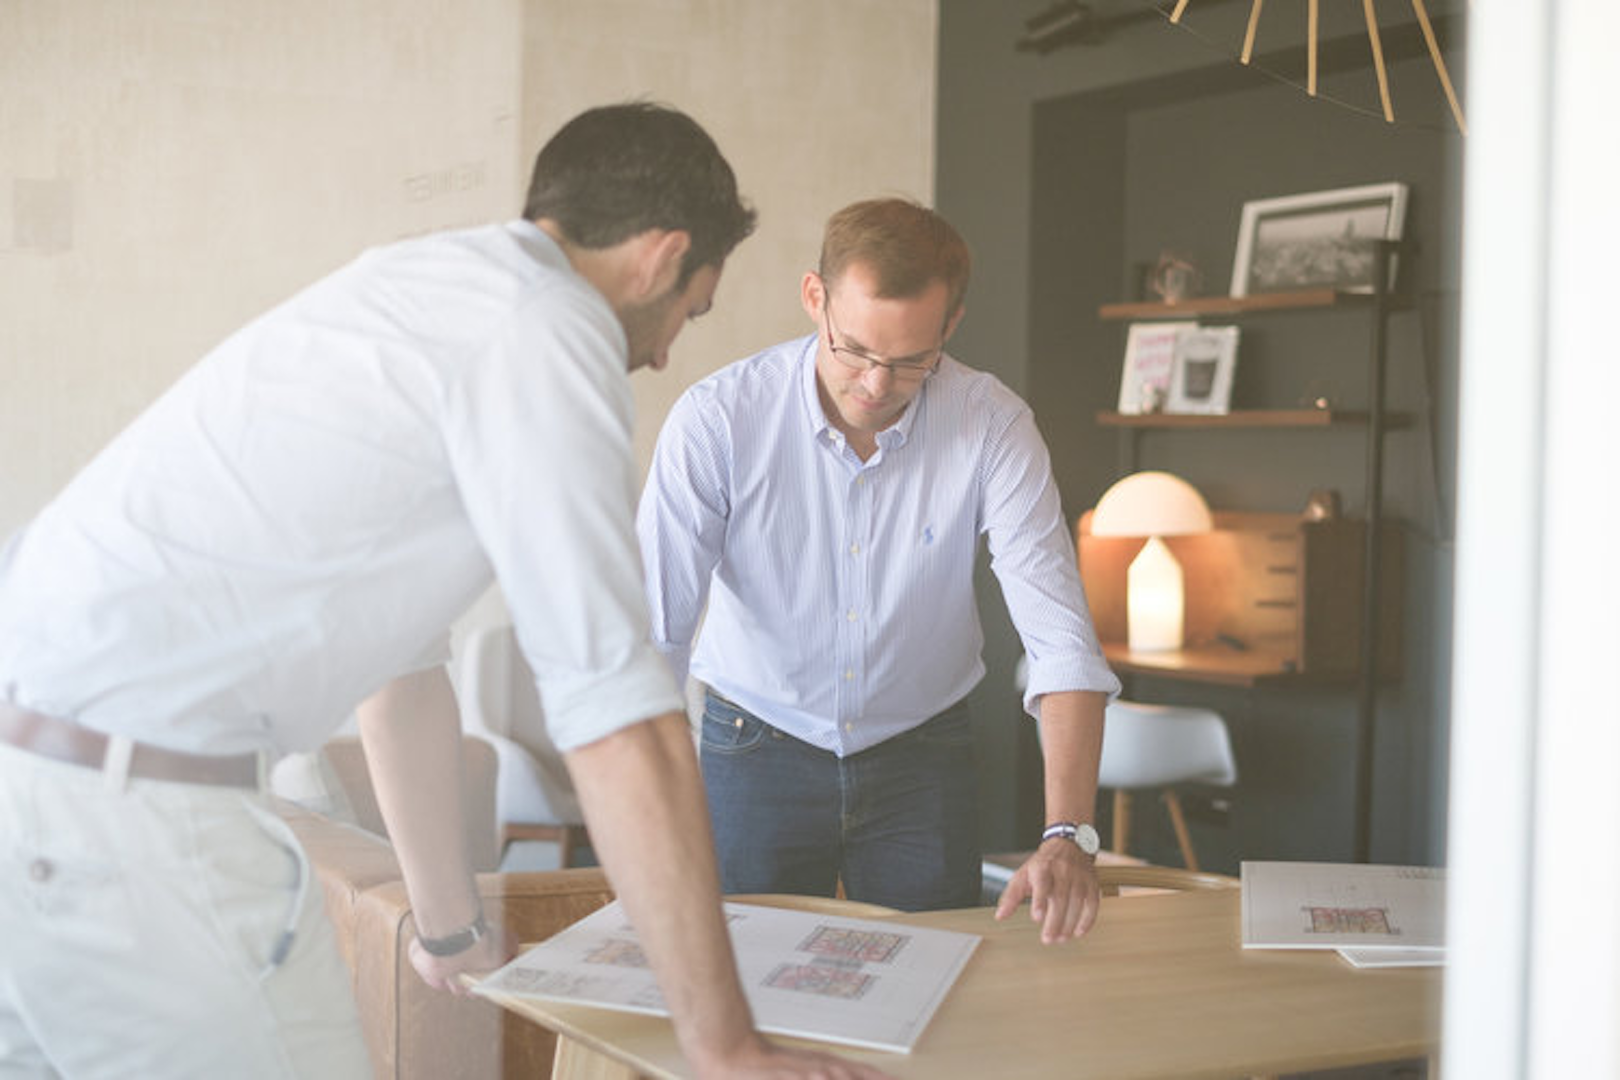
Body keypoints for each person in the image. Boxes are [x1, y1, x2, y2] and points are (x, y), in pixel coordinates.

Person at [0, 103, 888, 1080]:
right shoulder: (548, 330)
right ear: (660, 256)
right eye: (690, 308)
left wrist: (451, 930)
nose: (667, 351)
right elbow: (617, 717)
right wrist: (724, 1046)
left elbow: (400, 674)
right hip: (132, 825)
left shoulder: (421, 288)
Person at [637, 197, 1120, 941]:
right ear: (814, 298)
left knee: (934, 991)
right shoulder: (718, 420)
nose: (873, 384)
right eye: (854, 349)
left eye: (908, 362)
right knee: (745, 978)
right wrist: (643, 827)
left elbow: (1063, 646)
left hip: (923, 757)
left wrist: (1068, 833)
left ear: (950, 327)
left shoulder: (991, 425)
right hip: (752, 742)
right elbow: (655, 639)